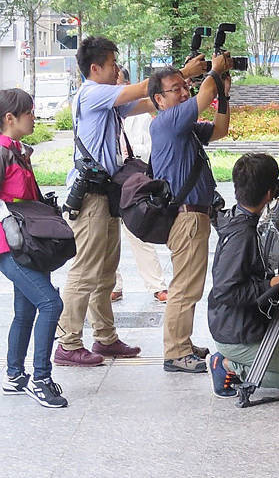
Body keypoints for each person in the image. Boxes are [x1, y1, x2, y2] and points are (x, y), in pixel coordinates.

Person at [55, 36, 204, 367]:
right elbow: (139, 91)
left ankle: (105, 337)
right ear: (95, 68)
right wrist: (180, 71)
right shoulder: (93, 93)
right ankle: (67, 342)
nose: (116, 71)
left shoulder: (107, 100)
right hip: (91, 195)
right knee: (85, 271)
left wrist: (181, 86)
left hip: (106, 192)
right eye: (111, 65)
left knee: (106, 271)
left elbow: (150, 101)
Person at [205, 153, 279, 398]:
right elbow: (225, 291)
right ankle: (227, 365)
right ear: (270, 193)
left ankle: (243, 358)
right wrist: (271, 286)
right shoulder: (242, 235)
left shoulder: (245, 218)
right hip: (236, 332)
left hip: (247, 320)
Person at [149, 52, 233, 373]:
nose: (184, 92)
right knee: (185, 286)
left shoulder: (183, 129)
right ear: (159, 98)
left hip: (195, 214)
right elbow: (205, 93)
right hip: (186, 216)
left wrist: (223, 94)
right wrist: (213, 73)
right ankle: (175, 352)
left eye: (186, 86)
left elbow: (221, 129)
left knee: (190, 283)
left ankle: (181, 343)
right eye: (177, 89)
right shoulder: (167, 122)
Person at [0, 88, 67, 407]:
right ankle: (41, 378)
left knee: (26, 310)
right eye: (29, 112)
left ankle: (14, 377)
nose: (34, 116)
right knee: (51, 304)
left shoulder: (19, 151)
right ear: (9, 118)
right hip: (10, 246)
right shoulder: (2, 152)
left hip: (27, 243)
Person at [110, 66, 168, 304]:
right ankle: (114, 285)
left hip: (132, 181)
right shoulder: (102, 112)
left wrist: (128, 152)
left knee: (139, 232)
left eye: (121, 84)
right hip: (108, 182)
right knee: (108, 238)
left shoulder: (139, 115)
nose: (118, 89)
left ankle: (156, 285)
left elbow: (149, 149)